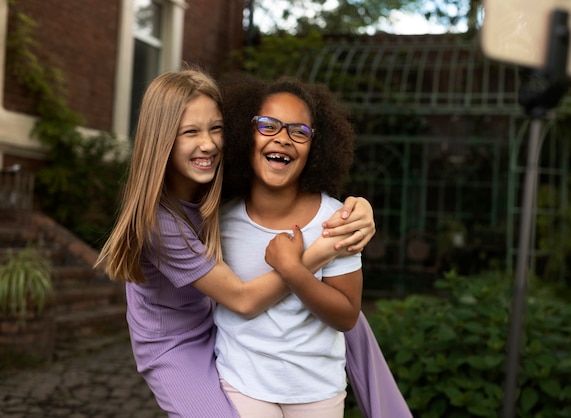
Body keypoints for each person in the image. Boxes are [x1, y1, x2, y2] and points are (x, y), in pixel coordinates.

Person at [94, 68, 408, 418]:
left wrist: (361, 209)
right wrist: (315, 254)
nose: (209, 143)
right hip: (176, 342)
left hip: (215, 321)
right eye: (190, 132)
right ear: (163, 140)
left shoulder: (215, 179)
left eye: (216, 129)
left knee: (349, 321)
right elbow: (243, 300)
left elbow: (279, 183)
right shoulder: (159, 222)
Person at [217, 73, 412, 418]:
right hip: (241, 382)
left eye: (299, 131)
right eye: (268, 126)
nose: (283, 139)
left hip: (317, 390)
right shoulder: (221, 217)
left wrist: (294, 268)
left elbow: (347, 315)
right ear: (245, 134)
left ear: (315, 146)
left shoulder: (335, 219)